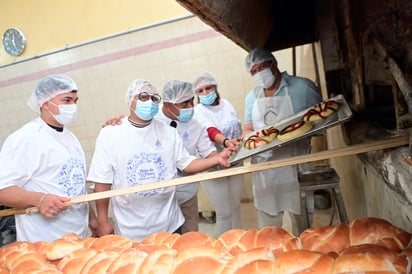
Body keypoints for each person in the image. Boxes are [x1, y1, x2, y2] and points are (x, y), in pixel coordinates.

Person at [87, 79, 234, 241]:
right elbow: (102, 181)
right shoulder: (111, 134)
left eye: (154, 98)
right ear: (130, 100)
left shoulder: (168, 132)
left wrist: (217, 159)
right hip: (131, 230)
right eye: (143, 97)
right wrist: (102, 218)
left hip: (169, 224)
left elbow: (187, 164)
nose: (149, 102)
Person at [0, 74, 98, 242]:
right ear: (45, 103)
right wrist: (40, 200)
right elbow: (3, 191)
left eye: (75, 101)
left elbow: (76, 184)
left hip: (78, 236)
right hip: (44, 240)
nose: (73, 106)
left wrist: (92, 219)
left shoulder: (70, 137)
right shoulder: (25, 139)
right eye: (67, 100)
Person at [243, 48, 322, 235]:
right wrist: (249, 138)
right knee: (270, 230)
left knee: (303, 226)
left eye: (261, 67)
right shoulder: (252, 97)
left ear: (274, 64)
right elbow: (247, 128)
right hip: (265, 171)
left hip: (296, 166)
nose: (258, 73)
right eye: (253, 71)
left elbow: (321, 120)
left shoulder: (302, 87)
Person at [158, 80, 218, 233]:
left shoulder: (196, 124)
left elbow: (208, 152)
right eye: (184, 104)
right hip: (159, 200)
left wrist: (224, 156)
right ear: (168, 105)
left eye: (191, 102)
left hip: (186, 195)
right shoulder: (153, 121)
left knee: (191, 239)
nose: (190, 107)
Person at [192, 72, 243, 236]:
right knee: (224, 212)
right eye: (200, 91)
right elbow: (211, 131)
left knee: (235, 206)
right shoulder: (198, 111)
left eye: (208, 88)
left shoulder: (227, 104)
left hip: (234, 160)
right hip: (212, 164)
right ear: (197, 95)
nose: (205, 93)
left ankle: (239, 241)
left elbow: (236, 125)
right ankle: (225, 250)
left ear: (215, 87)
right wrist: (228, 142)